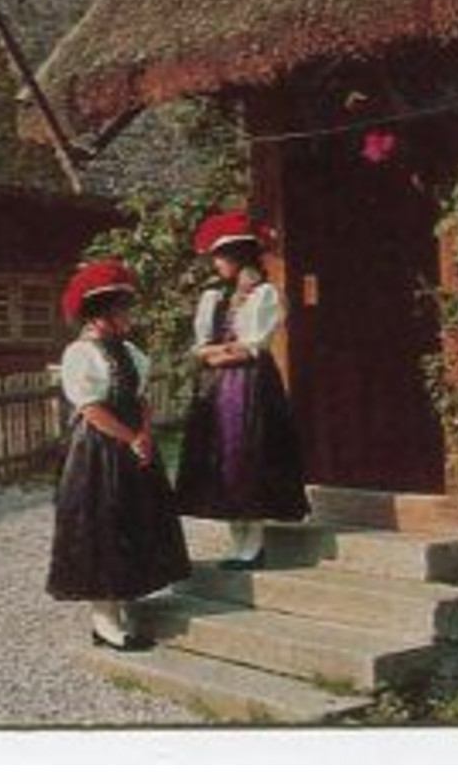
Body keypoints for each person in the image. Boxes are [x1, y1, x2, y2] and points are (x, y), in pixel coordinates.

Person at [47, 259, 192, 651]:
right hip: (99, 450)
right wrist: (129, 438)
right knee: (103, 527)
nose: (129, 317)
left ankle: (122, 610)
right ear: (101, 315)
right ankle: (104, 621)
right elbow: (91, 409)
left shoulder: (129, 350)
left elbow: (142, 397)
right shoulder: (81, 354)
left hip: (132, 446)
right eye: (122, 310)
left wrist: (145, 434)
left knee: (133, 523)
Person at [175, 210, 309, 569]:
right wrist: (215, 354)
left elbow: (252, 346)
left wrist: (216, 355)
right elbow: (201, 347)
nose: (216, 264)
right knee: (220, 459)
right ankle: (239, 545)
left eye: (221, 256)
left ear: (238, 255)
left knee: (246, 455)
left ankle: (255, 546)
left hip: (249, 386)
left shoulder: (264, 294)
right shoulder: (213, 297)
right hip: (216, 389)